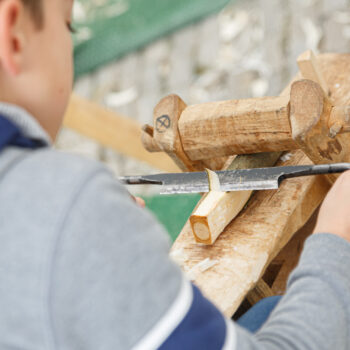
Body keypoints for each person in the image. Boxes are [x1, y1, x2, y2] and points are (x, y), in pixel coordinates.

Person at [0, 0, 350, 349]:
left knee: (271, 309)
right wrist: (337, 237)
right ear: (14, 34)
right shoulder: (68, 205)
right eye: (66, 25)